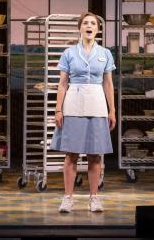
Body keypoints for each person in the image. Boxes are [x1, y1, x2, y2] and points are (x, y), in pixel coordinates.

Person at [50, 12, 116, 213]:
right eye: (85, 23)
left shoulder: (105, 53)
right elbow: (62, 84)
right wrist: (58, 108)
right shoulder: (69, 53)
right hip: (74, 104)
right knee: (71, 154)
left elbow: (108, 83)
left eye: (93, 23)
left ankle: (94, 198)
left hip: (96, 104)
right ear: (80, 28)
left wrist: (112, 110)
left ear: (97, 29)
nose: (89, 26)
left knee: (95, 155)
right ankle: (67, 198)